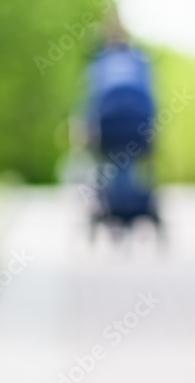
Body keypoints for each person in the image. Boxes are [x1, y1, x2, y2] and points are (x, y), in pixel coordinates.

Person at [83, 13, 159, 236]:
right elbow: (151, 97)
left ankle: (111, 203)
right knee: (134, 165)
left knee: (104, 165)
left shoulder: (99, 62)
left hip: (108, 130)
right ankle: (135, 203)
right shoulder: (139, 61)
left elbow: (90, 99)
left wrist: (85, 128)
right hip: (138, 128)